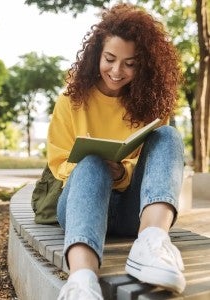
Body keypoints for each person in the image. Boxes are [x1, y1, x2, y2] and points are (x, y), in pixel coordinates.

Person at [47, 3, 186, 300]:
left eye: (130, 64)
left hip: (132, 212)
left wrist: (122, 172)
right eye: (110, 59)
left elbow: (155, 170)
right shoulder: (70, 100)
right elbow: (59, 162)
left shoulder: (150, 105)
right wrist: (94, 167)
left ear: (143, 65)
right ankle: (81, 281)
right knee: (92, 162)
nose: (116, 71)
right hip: (79, 204)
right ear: (97, 54)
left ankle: (152, 242)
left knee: (168, 136)